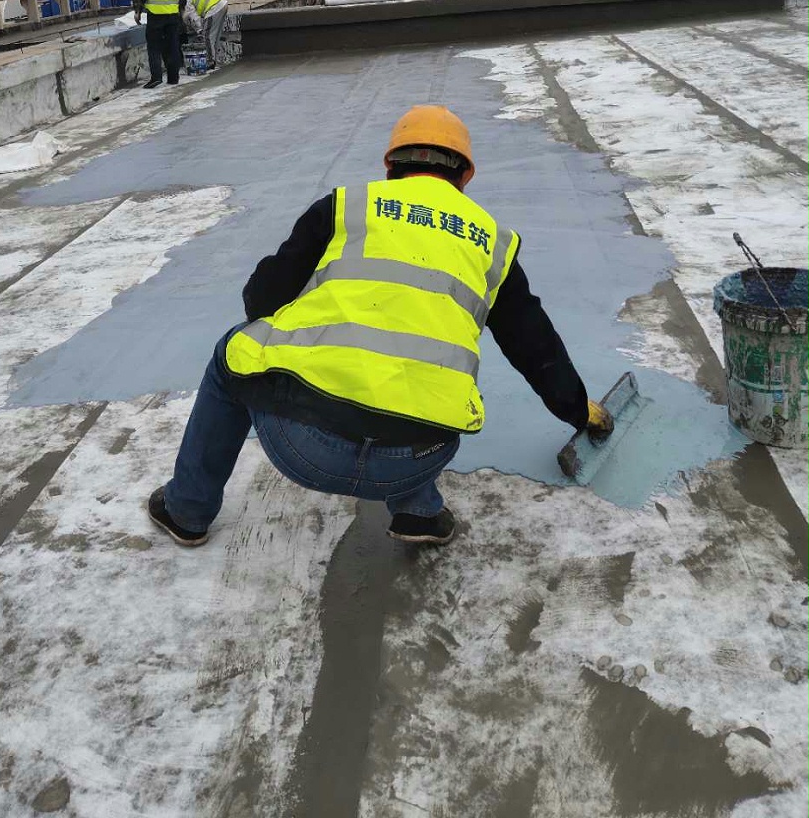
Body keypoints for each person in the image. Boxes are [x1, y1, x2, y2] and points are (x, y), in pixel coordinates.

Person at [148, 106, 611, 548]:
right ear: (465, 175)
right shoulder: (493, 243)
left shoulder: (346, 208)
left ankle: (186, 511)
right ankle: (419, 511)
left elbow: (260, 302)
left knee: (233, 351)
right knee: (421, 373)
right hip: (415, 460)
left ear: (390, 166)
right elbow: (535, 347)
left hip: (304, 449)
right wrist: (576, 409)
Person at [185, 0, 229, 70]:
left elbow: (190, 13)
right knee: (214, 37)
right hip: (221, 2)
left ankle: (210, 61)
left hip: (214, 6)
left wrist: (199, 29)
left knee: (207, 36)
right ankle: (215, 60)